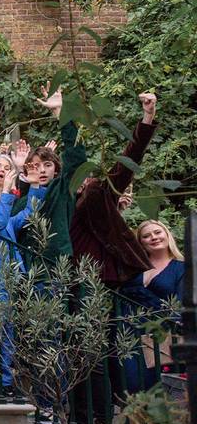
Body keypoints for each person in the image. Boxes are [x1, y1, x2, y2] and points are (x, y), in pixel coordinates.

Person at [70, 93, 157, 287]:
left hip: (116, 275)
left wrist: (147, 118)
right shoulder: (63, 200)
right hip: (80, 281)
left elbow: (129, 161)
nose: (81, 181)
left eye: (85, 176)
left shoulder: (97, 192)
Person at [0, 178, 41, 397]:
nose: (6, 202)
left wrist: (35, 187)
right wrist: (5, 190)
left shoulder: (8, 222)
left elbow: (29, 213)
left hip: (12, 281)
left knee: (9, 331)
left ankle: (6, 379)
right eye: (2, 199)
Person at [13, 83, 85, 269]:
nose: (42, 170)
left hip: (55, 269)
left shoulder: (62, 189)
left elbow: (76, 156)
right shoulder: (22, 200)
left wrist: (60, 113)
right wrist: (21, 172)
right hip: (25, 270)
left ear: (56, 169)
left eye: (47, 165)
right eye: (36, 165)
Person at [120, 220, 184, 393]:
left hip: (162, 335)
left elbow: (180, 306)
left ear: (167, 235)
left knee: (161, 389)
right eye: (146, 236)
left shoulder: (181, 268)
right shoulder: (134, 269)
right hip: (130, 335)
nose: (153, 238)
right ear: (140, 243)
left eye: (157, 232)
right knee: (132, 386)